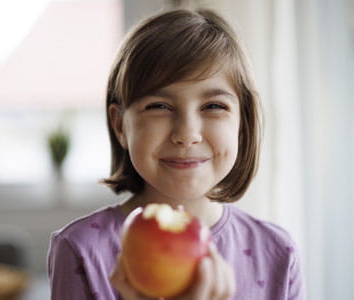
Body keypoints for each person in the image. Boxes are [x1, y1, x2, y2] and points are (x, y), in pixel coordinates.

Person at [47, 7, 306, 300]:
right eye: (159, 106)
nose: (186, 134)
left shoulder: (277, 252)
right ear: (121, 125)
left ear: (242, 126)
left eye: (213, 107)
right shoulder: (80, 249)